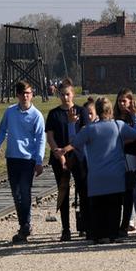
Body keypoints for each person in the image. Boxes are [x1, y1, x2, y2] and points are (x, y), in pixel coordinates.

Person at [55, 97, 136, 244]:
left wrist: (71, 124)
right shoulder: (118, 125)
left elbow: (74, 142)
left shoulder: (89, 129)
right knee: (114, 207)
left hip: (96, 177)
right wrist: (135, 116)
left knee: (98, 208)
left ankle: (99, 235)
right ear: (110, 111)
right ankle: (113, 233)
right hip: (116, 175)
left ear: (98, 111)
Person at [0, 81, 46, 244]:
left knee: (25, 192)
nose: (25, 96)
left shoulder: (36, 115)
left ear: (32, 94)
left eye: (28, 93)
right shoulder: (10, 112)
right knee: (16, 194)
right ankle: (23, 224)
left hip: (28, 160)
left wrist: (39, 160)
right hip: (12, 158)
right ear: (17, 95)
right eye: (22, 93)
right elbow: (3, 129)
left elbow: (40, 139)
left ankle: (25, 224)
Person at [44, 79, 90, 241]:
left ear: (73, 94)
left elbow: (84, 135)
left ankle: (85, 225)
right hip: (59, 157)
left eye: (68, 94)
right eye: (62, 95)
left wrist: (67, 149)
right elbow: (50, 136)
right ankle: (66, 228)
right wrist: (59, 153)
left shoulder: (81, 111)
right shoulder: (54, 114)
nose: (65, 98)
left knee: (83, 190)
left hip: (77, 155)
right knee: (63, 192)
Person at [115, 89, 136, 235]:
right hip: (118, 157)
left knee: (135, 190)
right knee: (123, 191)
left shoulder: (135, 118)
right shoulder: (114, 117)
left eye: (124, 101)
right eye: (120, 100)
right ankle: (129, 220)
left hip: (132, 156)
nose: (122, 104)